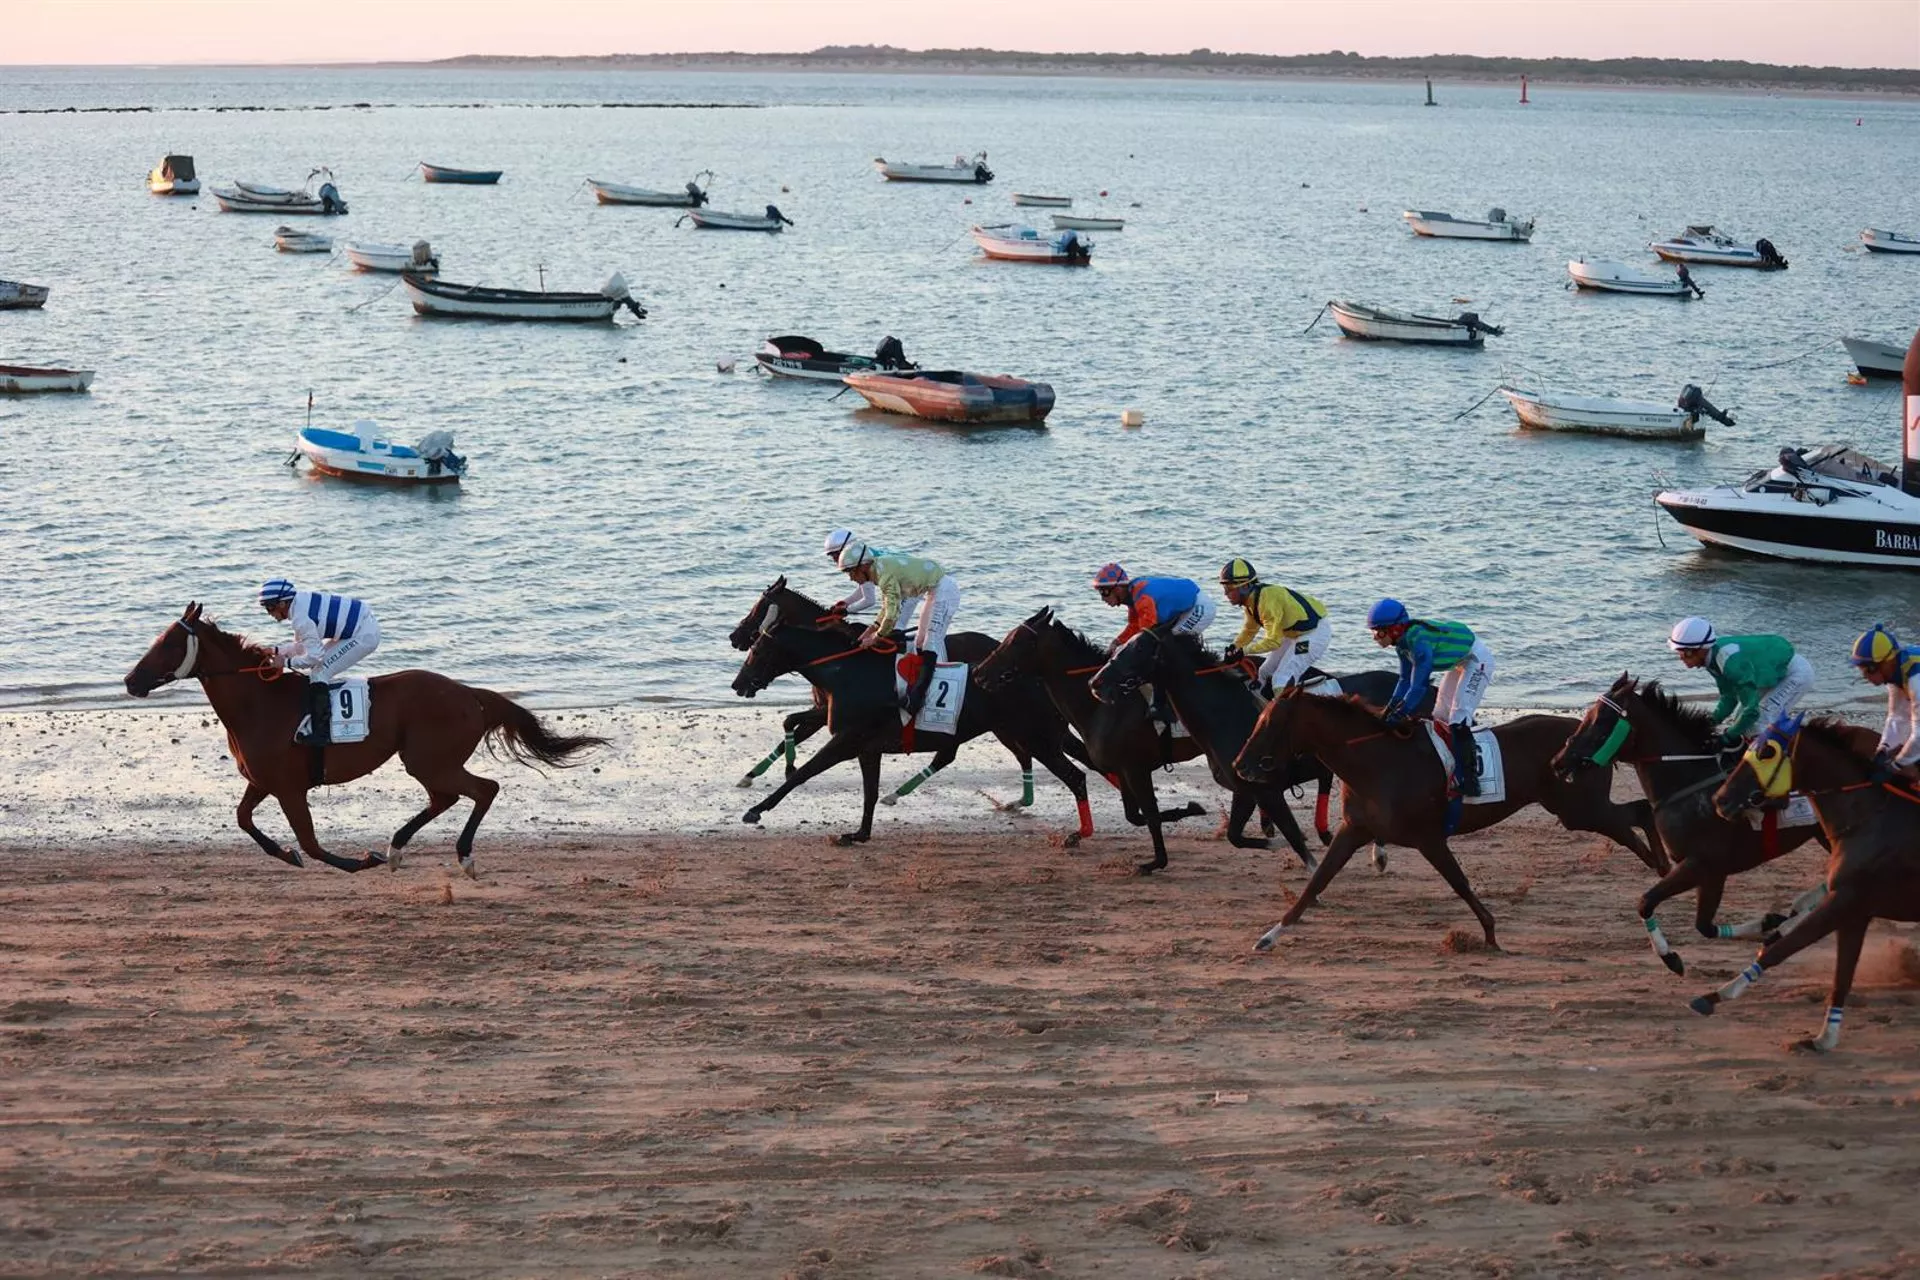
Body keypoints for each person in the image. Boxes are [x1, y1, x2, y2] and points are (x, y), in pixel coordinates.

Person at [1368, 599, 1493, 796]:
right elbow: (1404, 680)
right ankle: (1447, 767)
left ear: (1395, 629)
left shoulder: (1419, 642)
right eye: (1373, 631)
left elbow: (1419, 686)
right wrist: (1389, 709)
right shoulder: (1402, 644)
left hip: (1476, 660)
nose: (1375, 637)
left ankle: (1471, 782)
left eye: (1378, 631)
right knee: (1440, 715)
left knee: (1458, 718)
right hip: (1459, 662)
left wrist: (1401, 713)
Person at [837, 540, 957, 714]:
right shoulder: (878, 571)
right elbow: (887, 608)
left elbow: (892, 615)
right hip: (932, 591)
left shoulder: (884, 574)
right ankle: (919, 689)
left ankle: (916, 699)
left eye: (851, 572)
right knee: (919, 640)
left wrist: (874, 638)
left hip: (944, 590)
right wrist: (870, 630)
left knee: (931, 641)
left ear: (862, 566)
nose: (850, 577)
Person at [259, 577, 381, 745]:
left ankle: (321, 733)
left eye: (269, 607)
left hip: (363, 635)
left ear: (281, 604)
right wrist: (276, 650)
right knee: (318, 669)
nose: (269, 613)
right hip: (358, 626)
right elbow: (303, 647)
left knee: (319, 672)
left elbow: (314, 657)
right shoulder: (300, 603)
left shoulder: (301, 619)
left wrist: (285, 663)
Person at [1667, 617, 1813, 748]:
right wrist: (1709, 723)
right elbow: (1729, 698)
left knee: (1760, 721)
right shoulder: (1712, 659)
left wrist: (1727, 738)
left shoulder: (1730, 664)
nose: (1681, 658)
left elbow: (1752, 711)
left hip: (1795, 674)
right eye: (1679, 652)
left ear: (1701, 650)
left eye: (1685, 652)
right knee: (1740, 720)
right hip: (1773, 672)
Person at [1218, 559, 1329, 696]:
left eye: (1229, 589)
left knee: (1281, 679)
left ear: (1245, 587)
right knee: (1264, 673)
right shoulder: (1251, 602)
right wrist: (1235, 647)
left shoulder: (1267, 602)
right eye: (1224, 588)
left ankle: (1289, 714)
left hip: (1313, 635)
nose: (1225, 594)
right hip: (1293, 634)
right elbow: (1249, 630)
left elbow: (1273, 642)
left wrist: (1244, 651)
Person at [1850, 623, 1920, 781]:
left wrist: (1896, 766)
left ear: (1886, 663)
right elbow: (1898, 716)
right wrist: (1884, 748)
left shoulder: (1916, 680)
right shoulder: (1897, 671)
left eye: (1868, 670)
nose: (1865, 677)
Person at [1094, 564, 1216, 654]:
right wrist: (1117, 642)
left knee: (1168, 642)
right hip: (1186, 606)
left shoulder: (1142, 598)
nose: (1102, 599)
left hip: (1199, 607)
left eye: (1103, 592)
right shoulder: (1133, 595)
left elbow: (1145, 635)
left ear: (1118, 589)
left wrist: (1121, 651)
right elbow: (1134, 626)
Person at [824, 529, 881, 616]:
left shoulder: (861, 563)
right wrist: (845, 603)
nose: (835, 560)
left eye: (836, 555)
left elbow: (870, 600)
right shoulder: (860, 556)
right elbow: (864, 589)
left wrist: (847, 610)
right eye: (832, 556)